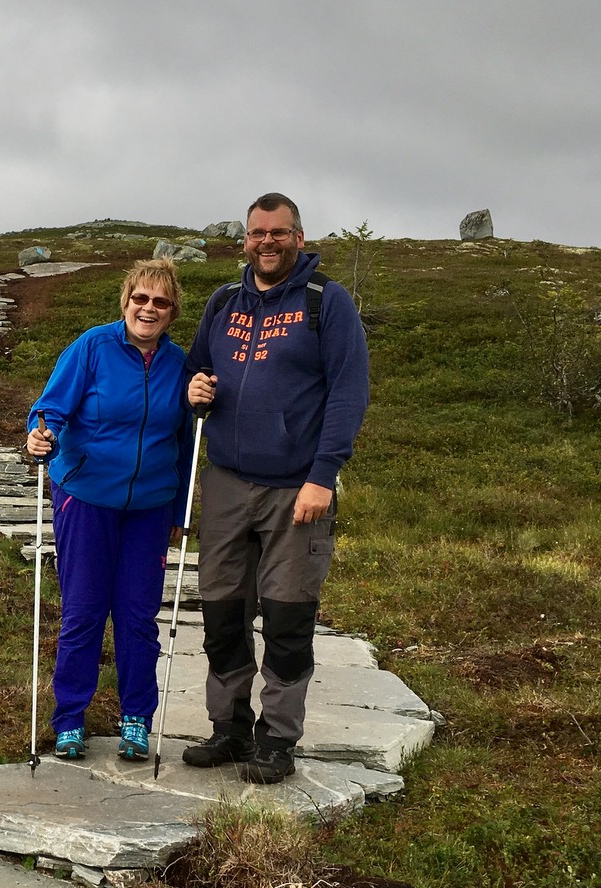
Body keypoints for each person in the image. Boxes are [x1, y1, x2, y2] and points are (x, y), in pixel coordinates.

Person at [181, 192, 370, 783]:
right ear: (245, 239)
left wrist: (323, 477)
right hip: (228, 483)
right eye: (258, 232)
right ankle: (229, 729)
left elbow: (347, 394)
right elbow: (194, 370)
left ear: (299, 237)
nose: (268, 241)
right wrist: (195, 392)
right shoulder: (223, 302)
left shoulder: (327, 303)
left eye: (279, 232)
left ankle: (277, 738)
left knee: (288, 619)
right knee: (222, 615)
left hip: (297, 492)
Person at [26, 258, 195, 761]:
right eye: (140, 298)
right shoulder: (93, 347)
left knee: (139, 617)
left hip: (149, 505)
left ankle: (137, 719)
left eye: (160, 302)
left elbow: (185, 441)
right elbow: (51, 406)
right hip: (87, 498)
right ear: (126, 301)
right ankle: (70, 720)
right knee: (83, 611)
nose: (148, 308)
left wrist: (180, 513)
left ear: (172, 311)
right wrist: (42, 434)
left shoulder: (178, 364)